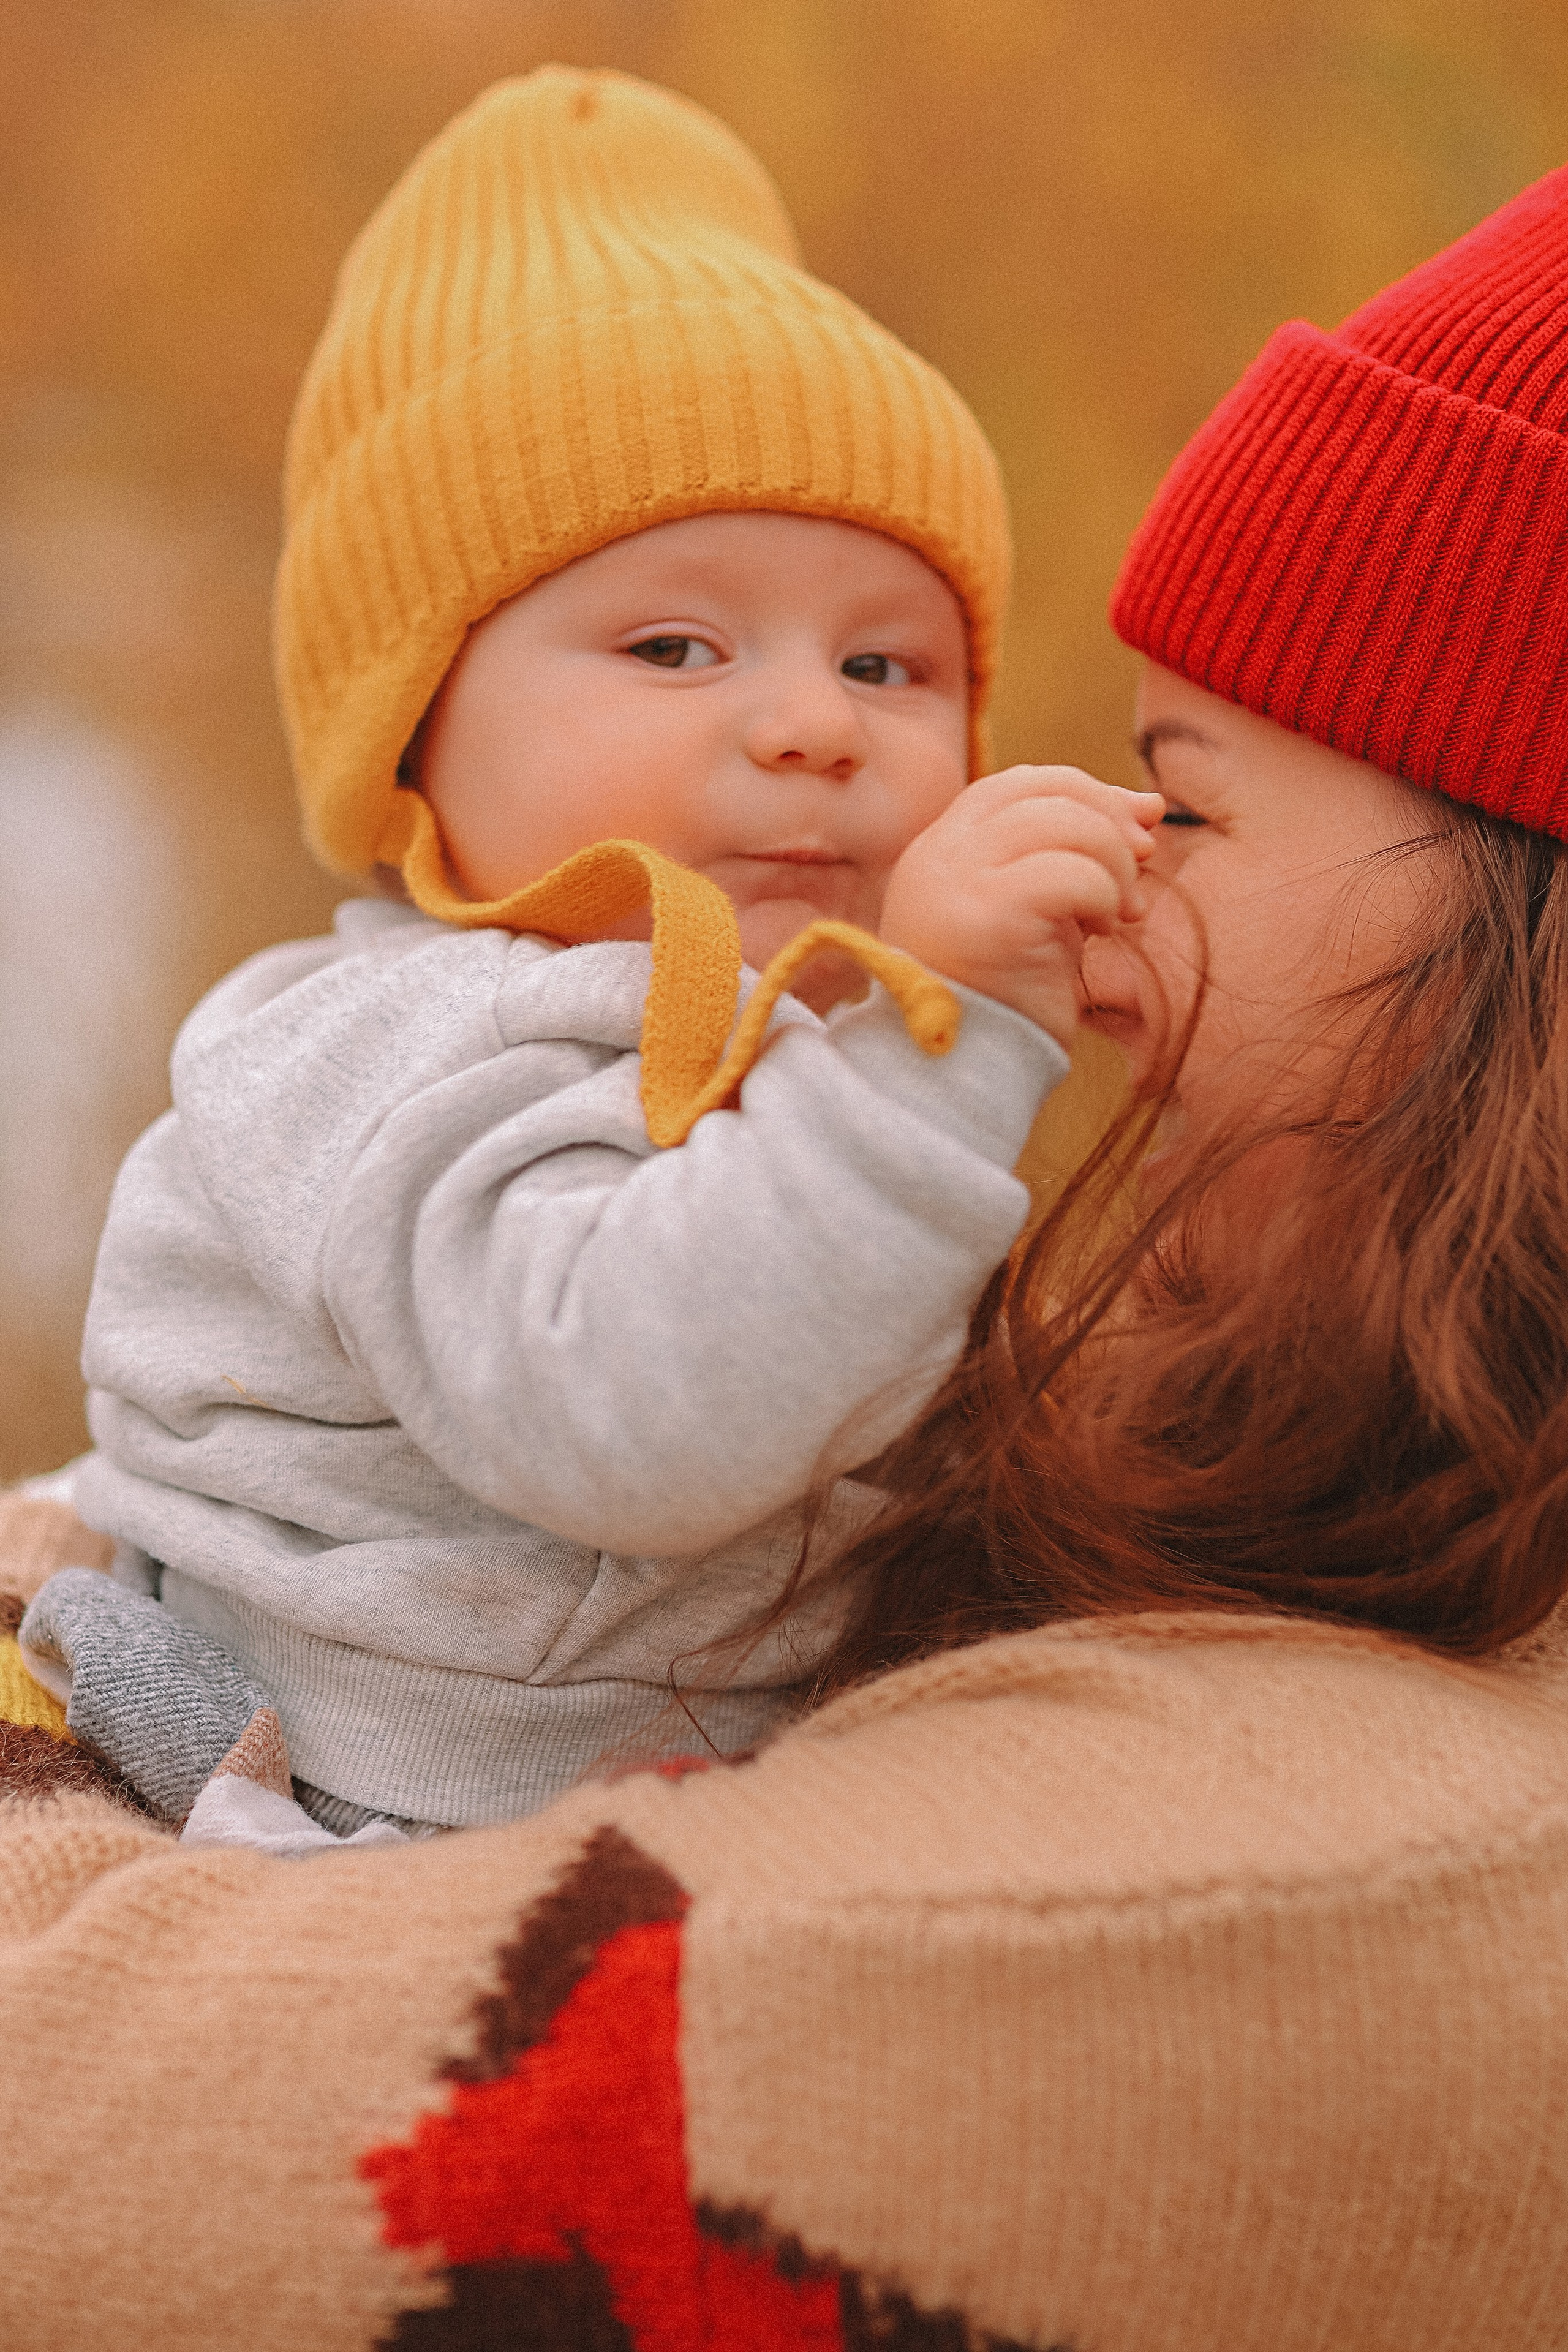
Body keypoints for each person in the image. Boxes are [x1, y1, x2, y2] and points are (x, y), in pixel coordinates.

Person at [15, 67, 1158, 1845]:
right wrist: (950, 1057)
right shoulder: (393, 1047)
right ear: (418, 727)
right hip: (383, 1805)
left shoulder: (796, 1035)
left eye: (885, 667)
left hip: (678, 1751)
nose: (809, 726)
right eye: (679, 645)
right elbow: (640, 1421)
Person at [780, 156, 1568, 1694]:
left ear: (1512, 885)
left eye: (1187, 816)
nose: (1090, 946)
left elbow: (598, 1938)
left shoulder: (1277, 1792)